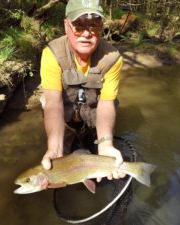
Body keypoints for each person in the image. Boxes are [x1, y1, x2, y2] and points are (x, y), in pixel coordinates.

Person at [40, 0, 125, 181]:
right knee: (58, 160)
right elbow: (53, 103)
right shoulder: (52, 54)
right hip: (65, 115)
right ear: (66, 25)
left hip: (94, 115)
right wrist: (54, 148)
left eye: (94, 26)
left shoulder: (112, 58)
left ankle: (95, 141)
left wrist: (105, 144)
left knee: (99, 159)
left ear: (101, 27)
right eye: (78, 25)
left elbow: (107, 103)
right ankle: (63, 143)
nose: (86, 33)